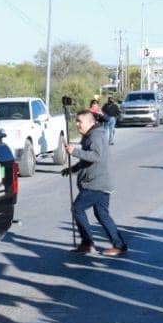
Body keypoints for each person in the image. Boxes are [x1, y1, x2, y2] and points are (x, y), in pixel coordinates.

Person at [65, 108, 127, 256]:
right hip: (100, 182)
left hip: (97, 184)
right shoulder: (90, 135)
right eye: (76, 122)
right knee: (102, 215)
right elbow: (88, 161)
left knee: (77, 209)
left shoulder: (96, 136)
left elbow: (96, 156)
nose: (77, 125)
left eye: (80, 122)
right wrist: (72, 169)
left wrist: (74, 151)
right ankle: (119, 245)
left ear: (90, 122)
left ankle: (88, 243)